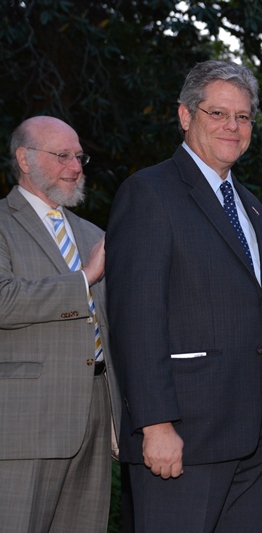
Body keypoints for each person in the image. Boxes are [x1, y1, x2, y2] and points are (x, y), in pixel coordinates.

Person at [105, 60, 262, 531]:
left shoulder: (254, 208)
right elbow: (135, 318)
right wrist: (156, 424)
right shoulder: (148, 192)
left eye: (243, 117)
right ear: (185, 116)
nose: (232, 126)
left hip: (254, 444)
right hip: (184, 439)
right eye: (218, 113)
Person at [0, 116, 121, 531]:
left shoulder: (92, 233)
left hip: (94, 416)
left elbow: (111, 324)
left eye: (79, 157)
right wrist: (84, 278)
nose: (76, 167)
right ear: (25, 159)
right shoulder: (2, 223)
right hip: (25, 424)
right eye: (63, 156)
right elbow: (3, 300)